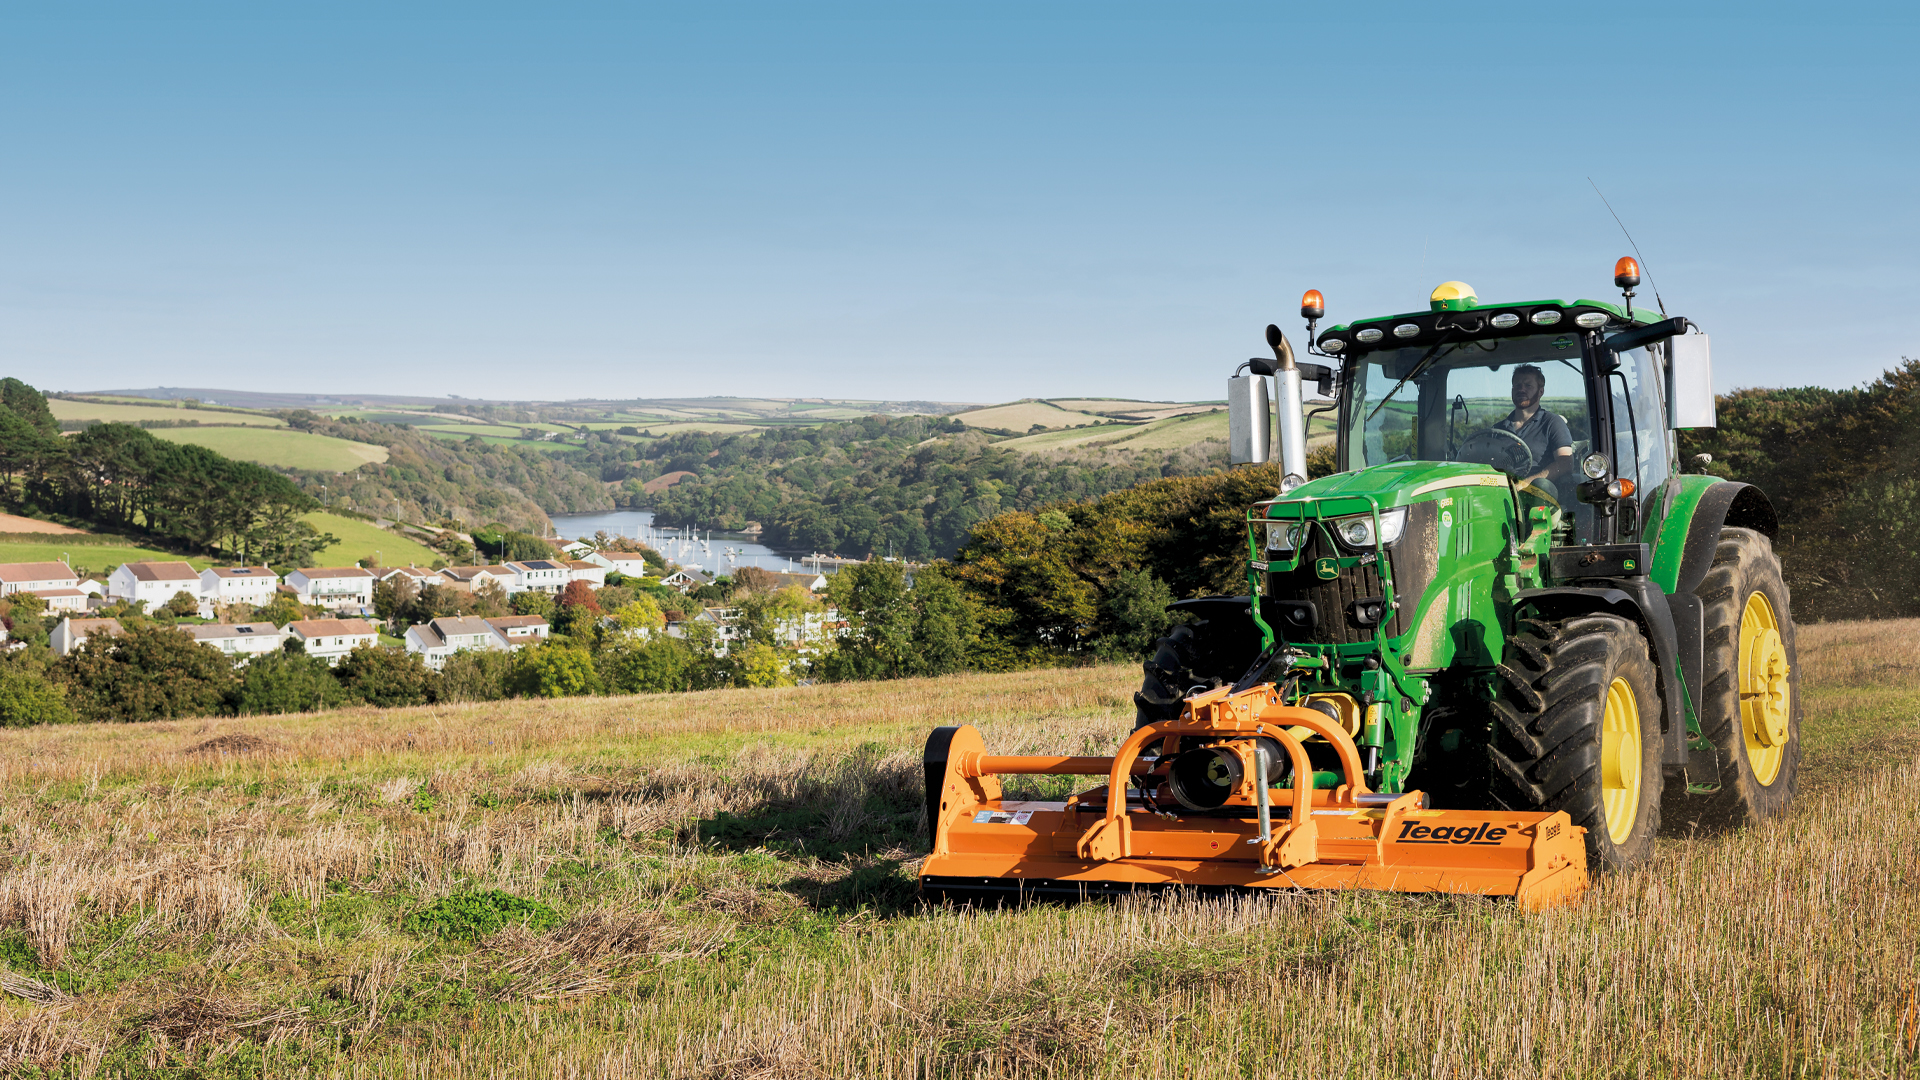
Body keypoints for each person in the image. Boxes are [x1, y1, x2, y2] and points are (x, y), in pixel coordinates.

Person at [1500, 365, 1573, 494]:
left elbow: (1565, 463)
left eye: (1528, 385)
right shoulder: (1498, 429)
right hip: (1501, 491)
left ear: (1540, 391)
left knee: (1541, 486)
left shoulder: (1552, 423)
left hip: (1539, 496)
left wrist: (1526, 483)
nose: (1521, 389)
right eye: (1517, 385)